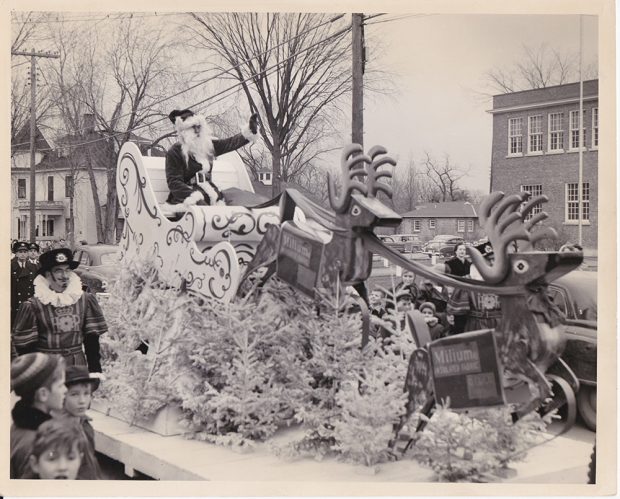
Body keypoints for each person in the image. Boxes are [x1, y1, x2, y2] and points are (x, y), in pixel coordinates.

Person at [12, 248, 108, 372]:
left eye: (67, 270)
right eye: (58, 271)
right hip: (47, 371)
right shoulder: (33, 305)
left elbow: (92, 342)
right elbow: (25, 349)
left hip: (77, 368)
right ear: (47, 275)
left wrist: (95, 372)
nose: (64, 276)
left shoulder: (84, 300)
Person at [165, 108, 259, 207]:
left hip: (210, 193)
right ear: (183, 131)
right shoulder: (174, 152)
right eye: (193, 127)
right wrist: (194, 197)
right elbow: (174, 183)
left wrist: (250, 131)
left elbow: (229, 143)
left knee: (237, 203)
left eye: (199, 127)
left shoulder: (207, 145)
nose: (197, 131)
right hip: (185, 199)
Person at [10, 353, 67, 479]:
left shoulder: (17, 427)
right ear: (43, 394)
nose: (65, 390)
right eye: (60, 385)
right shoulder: (38, 443)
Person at [56, 366, 103, 479]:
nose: (82, 401)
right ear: (62, 396)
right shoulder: (60, 431)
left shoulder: (85, 425)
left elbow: (91, 464)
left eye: (86, 393)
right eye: (74, 394)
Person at [444, 243, 472, 334]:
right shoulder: (450, 263)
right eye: (460, 249)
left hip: (467, 291)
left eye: (463, 250)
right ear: (455, 251)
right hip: (455, 291)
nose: (462, 251)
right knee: (457, 315)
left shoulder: (469, 264)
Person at [11, 241, 38, 328]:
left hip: (29, 305)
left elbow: (35, 287)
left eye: (25, 252)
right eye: (20, 252)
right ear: (16, 253)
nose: (23, 254)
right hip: (15, 305)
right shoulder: (10, 267)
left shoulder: (33, 267)